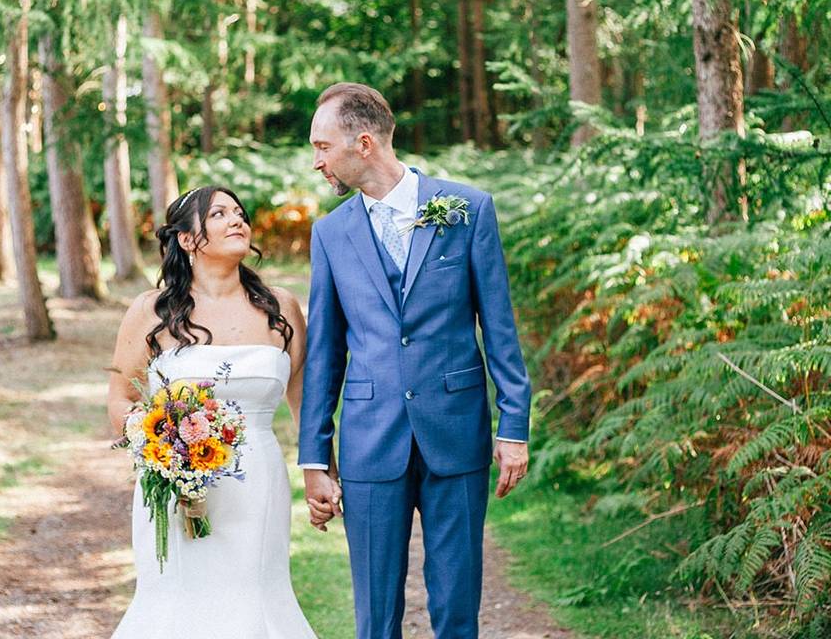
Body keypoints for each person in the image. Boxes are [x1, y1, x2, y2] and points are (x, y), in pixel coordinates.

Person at [299, 83, 532, 639]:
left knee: (456, 605)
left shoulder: (468, 209)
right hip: (369, 438)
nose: (316, 162)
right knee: (376, 615)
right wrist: (314, 456)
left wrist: (514, 427)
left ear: (363, 144)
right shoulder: (330, 234)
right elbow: (326, 353)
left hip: (456, 431)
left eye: (322, 147)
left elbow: (499, 329)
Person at [108, 186, 318, 638]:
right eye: (220, 214)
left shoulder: (281, 308)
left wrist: (319, 470)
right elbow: (120, 398)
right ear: (186, 239)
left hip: (257, 483)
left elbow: (304, 400)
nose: (237, 220)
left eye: (240, 213)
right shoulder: (152, 310)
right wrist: (161, 449)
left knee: (253, 597)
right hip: (174, 488)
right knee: (176, 599)